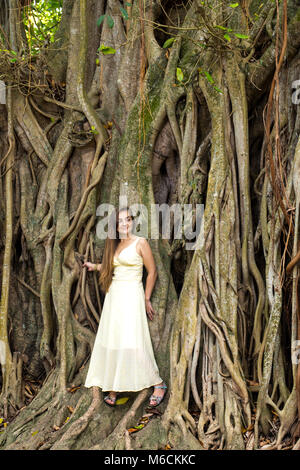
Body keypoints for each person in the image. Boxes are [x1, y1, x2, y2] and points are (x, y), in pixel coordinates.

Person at [82, 206, 167, 407]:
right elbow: (113, 266)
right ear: (115, 226)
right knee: (114, 340)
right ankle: (114, 387)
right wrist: (94, 267)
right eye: (120, 221)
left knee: (134, 340)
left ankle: (158, 383)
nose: (125, 224)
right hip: (114, 298)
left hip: (131, 296)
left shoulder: (140, 242)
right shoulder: (116, 246)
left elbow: (152, 271)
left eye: (128, 219)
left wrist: (146, 299)